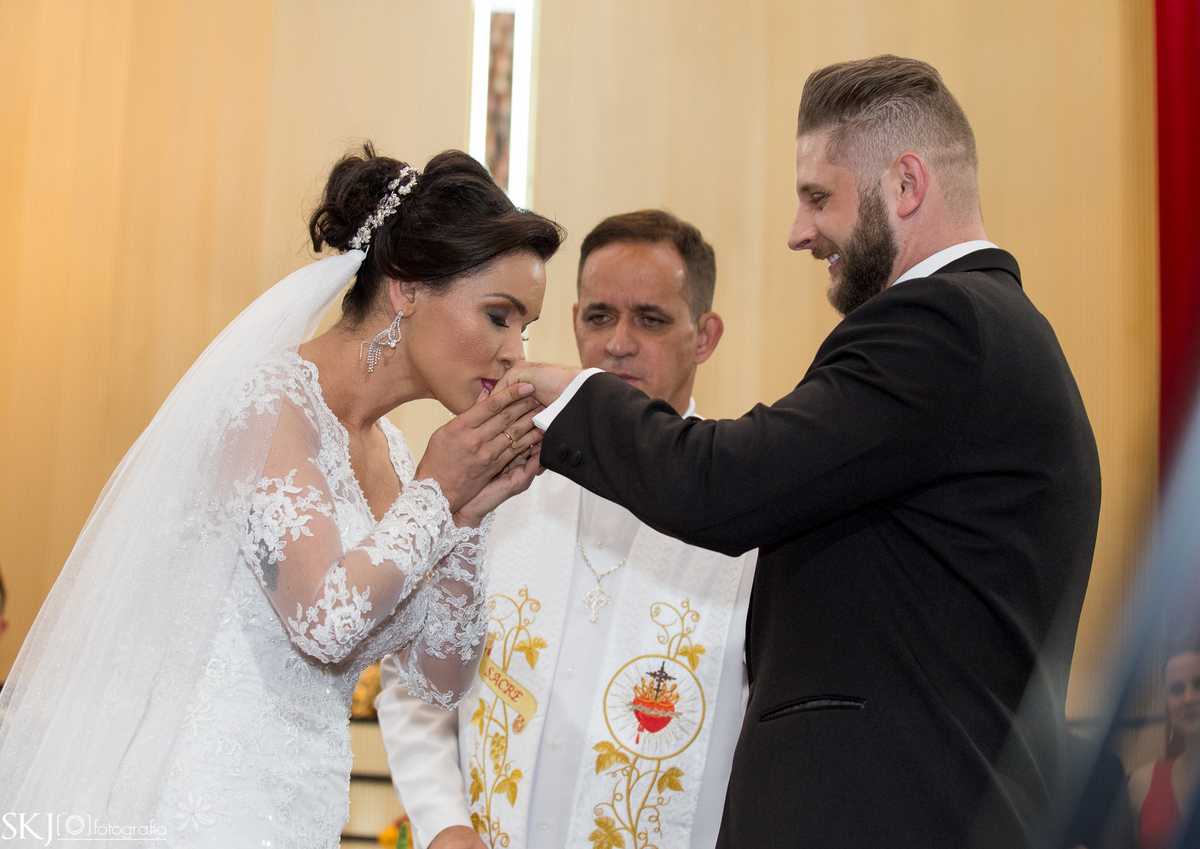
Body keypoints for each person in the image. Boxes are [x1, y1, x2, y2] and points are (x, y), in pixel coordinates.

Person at [500, 55, 1102, 848]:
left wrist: (569, 396)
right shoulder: (996, 334)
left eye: (819, 196)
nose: (797, 231)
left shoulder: (943, 326)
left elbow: (723, 484)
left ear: (907, 184)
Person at [0, 145, 563, 848]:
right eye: (499, 316)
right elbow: (324, 623)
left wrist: (469, 512)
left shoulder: (392, 453)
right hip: (190, 800)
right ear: (409, 286)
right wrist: (439, 490)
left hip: (302, 807)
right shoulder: (268, 405)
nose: (515, 352)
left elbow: (438, 678)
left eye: (526, 328)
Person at [376, 210, 757, 849]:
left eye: (652, 319)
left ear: (705, 336)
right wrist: (443, 824)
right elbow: (417, 682)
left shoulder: (749, 521)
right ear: (576, 320)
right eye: (600, 316)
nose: (618, 343)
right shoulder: (496, 483)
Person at [1129, 631, 1200, 849]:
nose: (1188, 698)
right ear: (1166, 700)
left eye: (1199, 684)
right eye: (1176, 689)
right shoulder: (1141, 784)